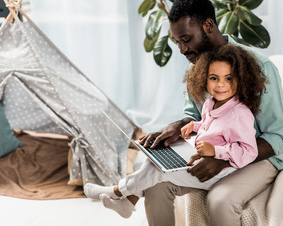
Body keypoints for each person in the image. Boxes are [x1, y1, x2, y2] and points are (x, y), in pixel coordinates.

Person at [139, 0, 283, 226]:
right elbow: (196, 116)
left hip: (260, 157)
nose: (182, 49)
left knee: (219, 200)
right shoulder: (197, 68)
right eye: (177, 42)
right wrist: (178, 127)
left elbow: (278, 137)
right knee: (155, 185)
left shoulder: (261, 68)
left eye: (186, 39)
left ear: (209, 25)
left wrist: (225, 160)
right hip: (213, 150)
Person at [83, 43, 266, 219]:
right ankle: (128, 204)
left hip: (222, 172)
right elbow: (213, 126)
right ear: (204, 78)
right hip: (200, 156)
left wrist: (215, 151)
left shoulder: (240, 114)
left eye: (228, 78)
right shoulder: (211, 103)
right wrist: (194, 126)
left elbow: (249, 151)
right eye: (213, 78)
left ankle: (117, 191)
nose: (220, 85)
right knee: (155, 160)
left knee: (160, 172)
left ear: (240, 79)